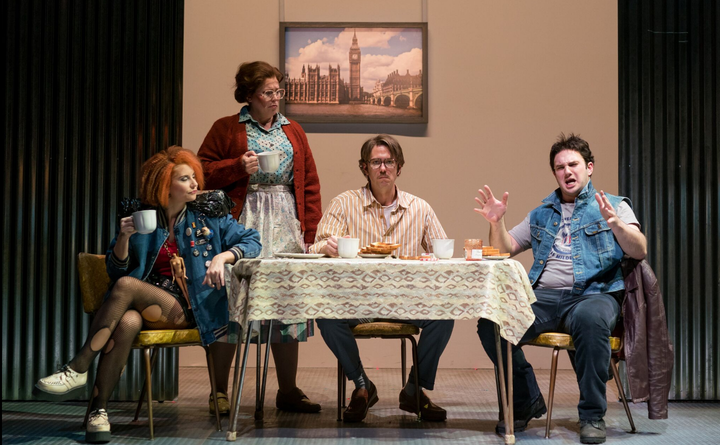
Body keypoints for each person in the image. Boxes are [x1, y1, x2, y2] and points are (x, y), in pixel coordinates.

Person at [34, 147, 262, 443]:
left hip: (189, 309)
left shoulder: (208, 215)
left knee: (128, 286)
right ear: (165, 186)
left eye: (194, 177)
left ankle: (77, 367)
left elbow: (252, 240)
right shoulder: (142, 218)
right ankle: (98, 412)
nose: (195, 184)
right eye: (185, 179)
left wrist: (223, 257)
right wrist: (125, 239)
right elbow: (117, 272)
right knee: (127, 321)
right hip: (146, 307)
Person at [474, 133, 647, 444]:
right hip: (543, 297)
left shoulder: (615, 206)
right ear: (554, 173)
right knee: (493, 324)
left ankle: (592, 415)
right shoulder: (542, 213)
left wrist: (616, 224)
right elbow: (504, 248)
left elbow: (640, 250)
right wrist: (496, 222)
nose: (567, 171)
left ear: (589, 167)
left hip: (594, 294)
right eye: (559, 167)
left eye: (573, 164)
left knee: (591, 322)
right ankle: (526, 399)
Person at [197, 61, 322, 415]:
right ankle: (219, 391)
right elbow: (200, 171)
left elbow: (309, 184)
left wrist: (310, 232)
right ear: (249, 95)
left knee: (286, 305)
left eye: (279, 92)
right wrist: (238, 167)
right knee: (232, 303)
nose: (275, 99)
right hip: (242, 221)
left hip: (285, 222)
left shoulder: (293, 130)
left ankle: (287, 390)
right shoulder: (226, 128)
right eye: (268, 92)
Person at [308, 134, 454, 423]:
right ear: (365, 168)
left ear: (399, 167)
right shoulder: (344, 203)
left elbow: (442, 252)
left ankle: (414, 390)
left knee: (446, 313)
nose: (383, 168)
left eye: (389, 162)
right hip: (356, 302)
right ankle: (362, 386)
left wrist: (434, 259)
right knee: (324, 313)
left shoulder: (419, 208)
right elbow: (315, 246)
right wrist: (326, 247)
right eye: (376, 162)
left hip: (406, 301)